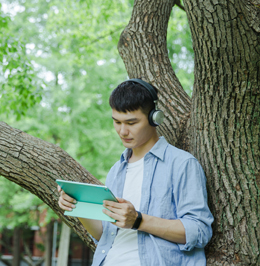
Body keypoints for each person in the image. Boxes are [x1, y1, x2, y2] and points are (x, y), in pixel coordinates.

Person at [58, 79, 214, 265]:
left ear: (154, 118)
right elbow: (105, 235)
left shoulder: (182, 164)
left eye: (131, 122)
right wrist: (76, 206)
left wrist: (138, 220)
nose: (123, 131)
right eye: (117, 122)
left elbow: (199, 231)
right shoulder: (116, 171)